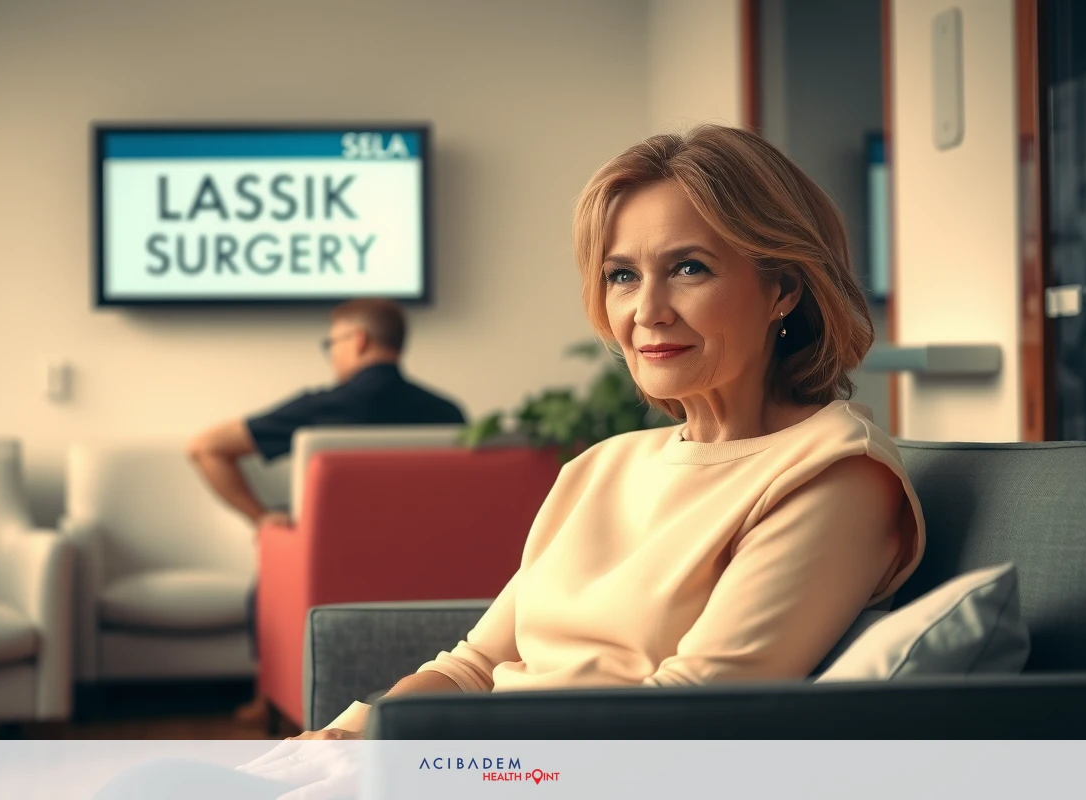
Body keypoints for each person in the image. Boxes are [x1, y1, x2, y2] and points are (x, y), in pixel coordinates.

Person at [94, 124, 927, 796]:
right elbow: (475, 664)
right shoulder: (602, 467)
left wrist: (423, 760)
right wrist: (350, 734)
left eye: (691, 268)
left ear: (784, 288)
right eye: (622, 275)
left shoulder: (834, 473)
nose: (647, 311)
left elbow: (690, 714)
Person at [187, 297, 466, 724]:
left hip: (330, 566)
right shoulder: (450, 413)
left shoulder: (322, 409)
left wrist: (261, 518)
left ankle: (269, 699)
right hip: (434, 566)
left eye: (329, 342)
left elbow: (205, 447)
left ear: (357, 340)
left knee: (269, 567)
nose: (330, 352)